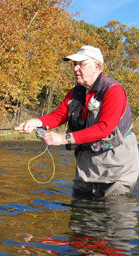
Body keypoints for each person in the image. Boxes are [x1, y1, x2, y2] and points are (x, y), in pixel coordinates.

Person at [15, 45, 139, 197]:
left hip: (118, 165)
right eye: (74, 64)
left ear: (97, 66)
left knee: (113, 211)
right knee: (81, 211)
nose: (75, 68)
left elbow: (104, 128)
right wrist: (36, 122)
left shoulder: (113, 90)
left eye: (81, 64)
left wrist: (62, 139)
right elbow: (60, 115)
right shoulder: (76, 92)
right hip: (87, 166)